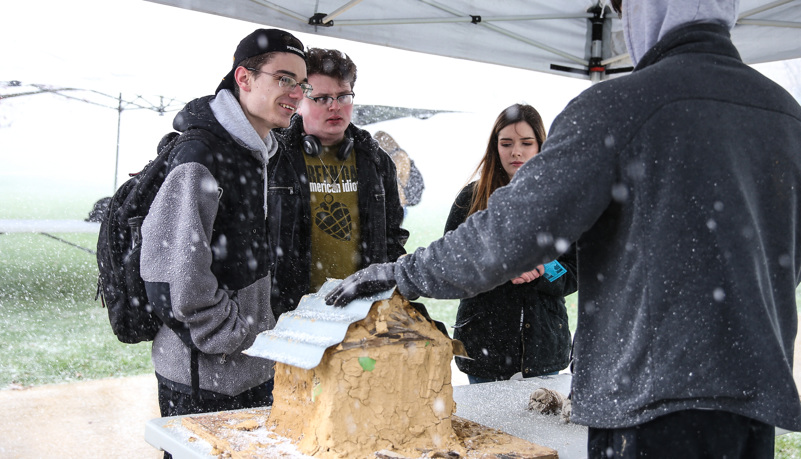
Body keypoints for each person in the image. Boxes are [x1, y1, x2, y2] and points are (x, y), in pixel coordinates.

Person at [326, 0, 801, 457]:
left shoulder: (621, 106)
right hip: (751, 397)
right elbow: (788, 261)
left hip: (649, 403)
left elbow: (508, 233)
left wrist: (401, 274)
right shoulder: (784, 114)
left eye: (622, 9)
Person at [140, 28, 310, 429]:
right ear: (244, 78)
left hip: (252, 368)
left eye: (301, 84)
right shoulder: (202, 152)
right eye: (284, 78)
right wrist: (228, 337)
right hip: (204, 376)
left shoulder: (260, 151)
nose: (296, 93)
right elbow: (173, 269)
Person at [269, 47, 408, 318]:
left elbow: (393, 236)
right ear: (299, 101)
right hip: (290, 312)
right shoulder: (275, 157)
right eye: (321, 98)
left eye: (343, 96)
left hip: (360, 311)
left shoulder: (376, 161)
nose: (335, 106)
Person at [445, 104, 577, 384]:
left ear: (541, 146)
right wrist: (499, 267)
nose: (516, 151)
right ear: (496, 148)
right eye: (507, 143)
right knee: (485, 429)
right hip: (484, 351)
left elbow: (575, 271)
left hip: (543, 351)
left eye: (526, 143)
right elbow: (449, 265)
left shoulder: (562, 201)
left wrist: (544, 268)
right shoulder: (470, 200)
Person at [374, 130, 425, 216]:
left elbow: (388, 177)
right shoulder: (397, 155)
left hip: (396, 207)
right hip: (397, 206)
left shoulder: (398, 156)